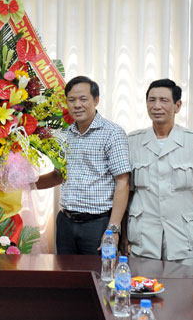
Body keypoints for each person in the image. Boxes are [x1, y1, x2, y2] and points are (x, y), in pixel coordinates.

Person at [36, 76, 130, 254]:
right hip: (65, 222)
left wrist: (114, 229)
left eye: (83, 99)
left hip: (98, 224)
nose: (77, 105)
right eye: (71, 100)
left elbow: (123, 182)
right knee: (65, 279)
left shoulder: (113, 133)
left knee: (97, 278)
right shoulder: (64, 134)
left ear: (96, 100)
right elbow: (59, 175)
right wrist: (25, 184)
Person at [126, 79, 193, 267]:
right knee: (144, 291)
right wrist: (123, 234)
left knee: (184, 294)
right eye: (151, 100)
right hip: (143, 237)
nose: (156, 106)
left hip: (183, 237)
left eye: (164, 100)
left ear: (177, 106)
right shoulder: (133, 141)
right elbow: (127, 191)